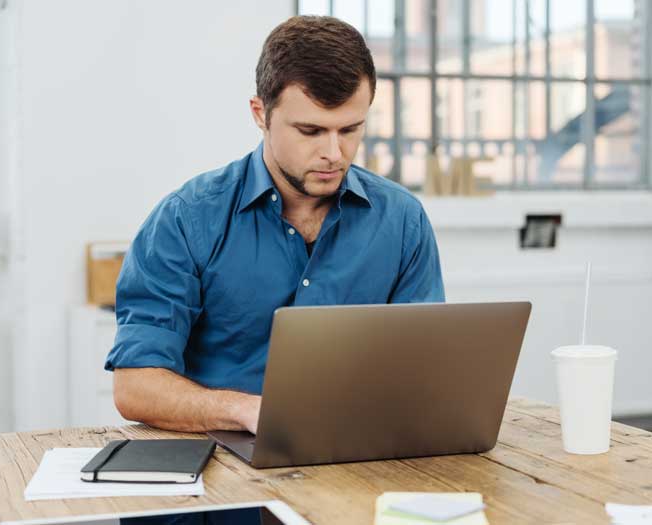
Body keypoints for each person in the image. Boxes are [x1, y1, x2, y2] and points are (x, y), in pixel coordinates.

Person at [106, 15, 445, 435]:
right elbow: (135, 386)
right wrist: (246, 411)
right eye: (311, 130)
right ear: (260, 114)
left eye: (351, 129)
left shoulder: (403, 222)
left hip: (357, 467)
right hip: (225, 470)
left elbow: (425, 370)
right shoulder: (186, 220)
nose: (334, 153)